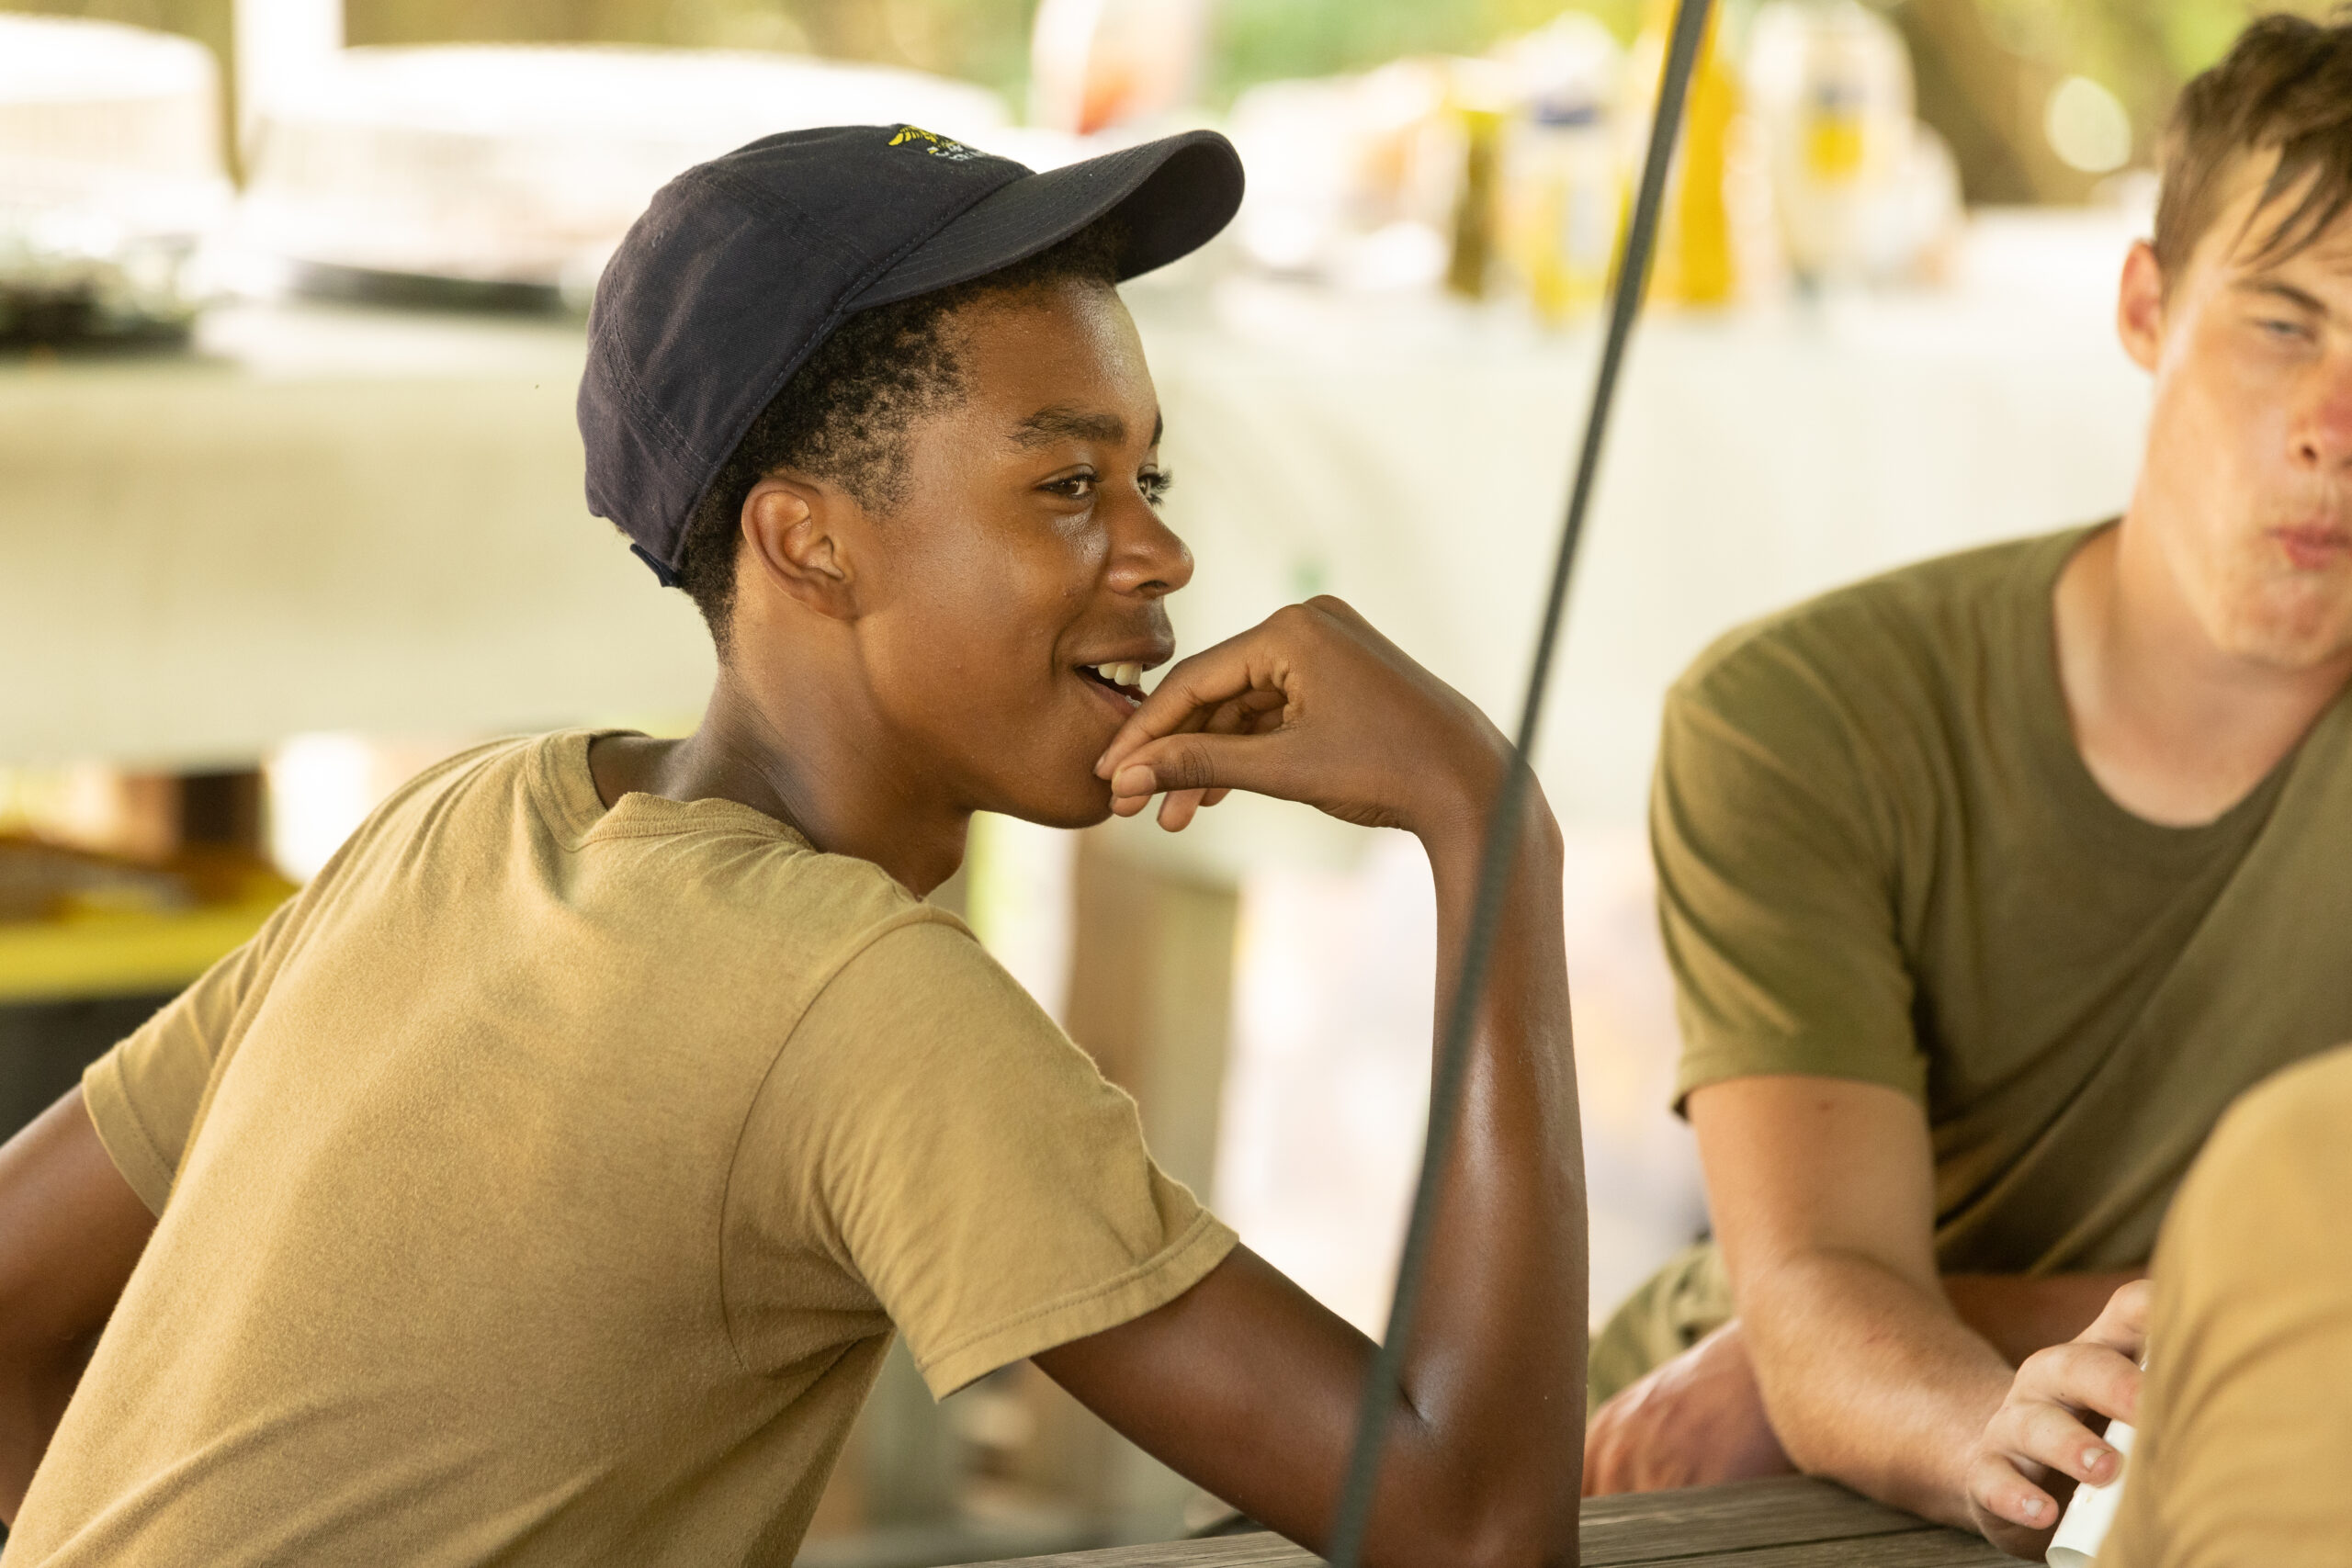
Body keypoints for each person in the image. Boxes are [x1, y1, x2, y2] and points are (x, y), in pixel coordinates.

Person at [0, 127, 1587, 1567]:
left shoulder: (463, 822)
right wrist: (1488, 830)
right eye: (1068, 485)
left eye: (1146, 478)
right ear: (808, 543)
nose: (1161, 550)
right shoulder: (857, 999)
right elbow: (1477, 1537)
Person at [1581, 7, 2352, 1543]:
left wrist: (1903, 1336)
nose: (2336, 431)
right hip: (1756, 1466)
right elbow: (1823, 1285)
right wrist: (1966, 1416)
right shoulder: (1798, 719)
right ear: (2147, 305)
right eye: (2285, 325)